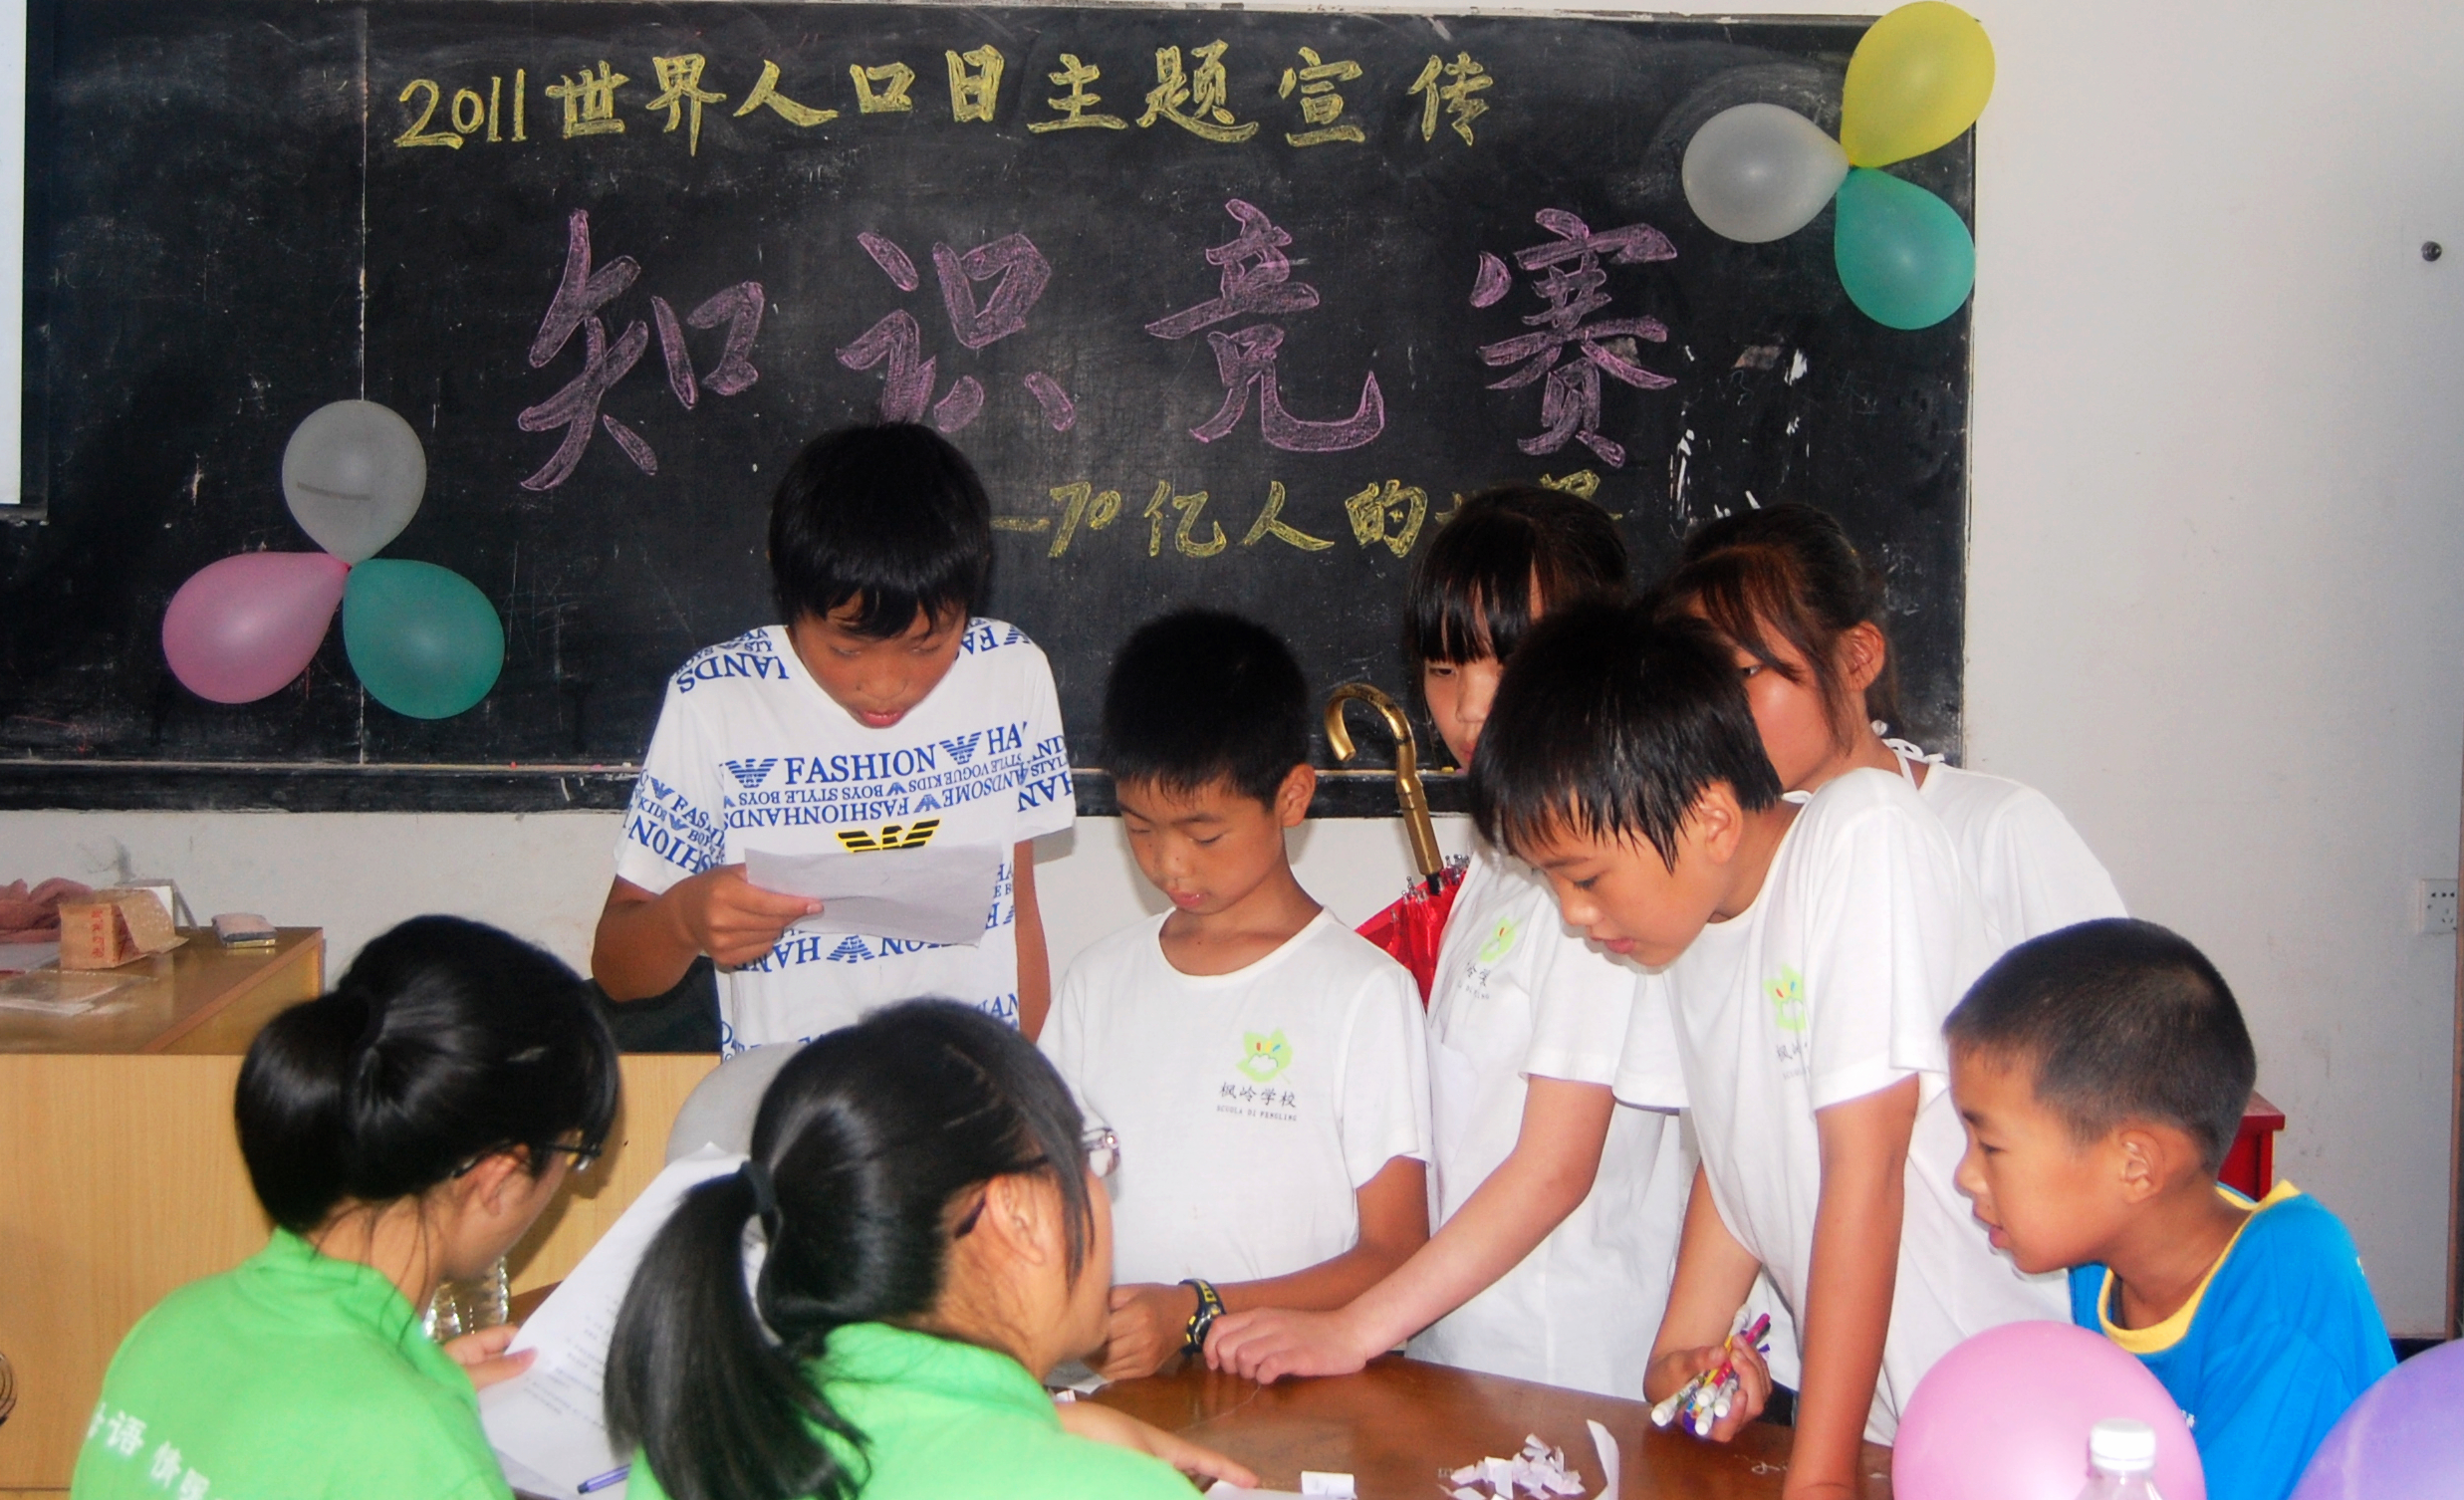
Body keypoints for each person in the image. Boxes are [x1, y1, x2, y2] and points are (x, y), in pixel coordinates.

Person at [1470, 601, 2063, 1500]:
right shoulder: (1691, 926)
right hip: (1886, 1435)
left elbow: (1866, 1169)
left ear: (1711, 819)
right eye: (1552, 884)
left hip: (2008, 1425)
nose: (1576, 915)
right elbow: (1739, 1151)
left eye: (1585, 877)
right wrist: (1680, 1353)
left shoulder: (1861, 834)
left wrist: (1817, 1480)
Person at [1207, 485, 1690, 1399]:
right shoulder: (1501, 855)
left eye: (1507, 661)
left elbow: (1555, 1170)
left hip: (1563, 1372)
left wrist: (1355, 1326)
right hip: (1458, 1352)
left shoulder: (1601, 876)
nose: (1467, 708)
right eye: (1441, 667)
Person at [606, 1000, 1256, 1500]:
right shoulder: (1110, 1491)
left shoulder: (692, 1455)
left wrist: (1046, 1430)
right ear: (1017, 1214)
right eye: (1083, 1156)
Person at [73, 916, 621, 1500]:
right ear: (498, 1178)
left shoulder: (171, 1329)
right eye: (574, 1156)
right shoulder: (418, 1450)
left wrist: (411, 1381)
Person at [1038, 610, 1431, 1380]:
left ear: (1291, 797)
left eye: (1204, 834)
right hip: (1121, 1400)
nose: (1170, 864)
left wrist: (1196, 1312)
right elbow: (1046, 1199)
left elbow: (1396, 1256)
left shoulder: (1362, 992)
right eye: (1139, 828)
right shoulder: (1096, 982)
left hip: (1294, 1406)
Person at [592, 422, 1074, 1050]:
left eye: (927, 646)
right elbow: (617, 972)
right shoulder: (717, 698)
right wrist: (684, 918)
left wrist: (1034, 1082)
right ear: (789, 595)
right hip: (790, 1094)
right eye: (846, 649)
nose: (885, 685)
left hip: (968, 1085)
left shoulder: (1009, 673)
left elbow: (1018, 917)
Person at [1946, 919, 2392, 1500]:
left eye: (1990, 1146)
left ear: (2136, 1166)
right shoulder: (2104, 1267)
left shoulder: (2287, 1281)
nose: (1965, 1176)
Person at [1653, 503, 2123, 950]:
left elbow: (2117, 1003)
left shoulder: (1997, 829)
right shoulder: (1696, 863)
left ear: (1857, 658)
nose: (1715, 709)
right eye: (1698, 684)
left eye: (1742, 673)